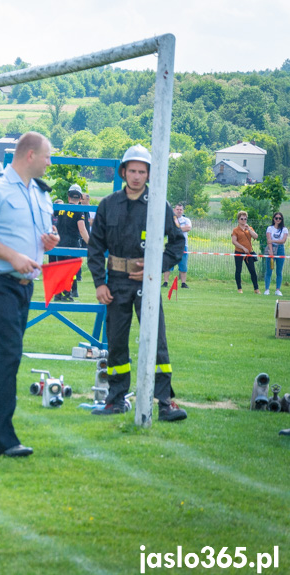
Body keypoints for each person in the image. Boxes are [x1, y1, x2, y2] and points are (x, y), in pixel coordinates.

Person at [0, 134, 59, 457]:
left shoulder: (39, 194)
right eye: (47, 156)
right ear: (30, 154)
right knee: (8, 355)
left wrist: (47, 242)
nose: (50, 162)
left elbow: (34, 233)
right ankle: (5, 439)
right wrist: (13, 257)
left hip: (21, 285)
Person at [87, 144, 187, 421]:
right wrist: (99, 283)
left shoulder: (159, 205)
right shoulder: (108, 205)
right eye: (132, 170)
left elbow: (178, 243)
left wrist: (157, 265)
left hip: (149, 282)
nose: (136, 176)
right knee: (117, 342)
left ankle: (165, 403)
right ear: (123, 172)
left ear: (148, 174)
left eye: (141, 171)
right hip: (116, 283)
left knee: (157, 342)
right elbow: (95, 248)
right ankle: (116, 399)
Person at [50, 184, 89, 302]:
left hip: (60, 243)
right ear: (80, 198)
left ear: (68, 196)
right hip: (72, 244)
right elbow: (82, 229)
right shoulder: (79, 211)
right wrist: (92, 245)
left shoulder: (61, 208)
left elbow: (51, 214)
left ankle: (57, 294)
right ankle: (67, 294)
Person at [162, 203, 192, 289]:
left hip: (183, 246)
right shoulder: (169, 219)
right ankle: (165, 282)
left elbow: (188, 228)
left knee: (183, 265)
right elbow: (167, 229)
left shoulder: (186, 220)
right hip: (171, 245)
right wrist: (178, 229)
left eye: (181, 209)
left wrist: (175, 229)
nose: (179, 211)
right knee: (167, 264)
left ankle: (183, 283)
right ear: (174, 210)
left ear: (183, 211)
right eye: (177, 209)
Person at [231, 210, 259, 294]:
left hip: (248, 253)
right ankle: (239, 288)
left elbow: (256, 236)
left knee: (252, 270)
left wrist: (249, 230)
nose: (244, 221)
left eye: (245, 219)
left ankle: (256, 289)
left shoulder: (249, 228)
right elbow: (234, 241)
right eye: (242, 219)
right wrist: (243, 248)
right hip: (239, 252)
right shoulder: (236, 230)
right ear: (238, 220)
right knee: (238, 270)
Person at [263, 212, 287, 296]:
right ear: (273, 219)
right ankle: (267, 289)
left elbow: (283, 240)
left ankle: (277, 289)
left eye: (280, 218)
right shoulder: (270, 228)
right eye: (276, 218)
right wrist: (271, 251)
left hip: (280, 249)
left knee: (279, 271)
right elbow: (268, 239)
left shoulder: (284, 229)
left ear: (282, 219)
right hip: (271, 248)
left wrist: (273, 241)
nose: (278, 220)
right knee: (269, 270)